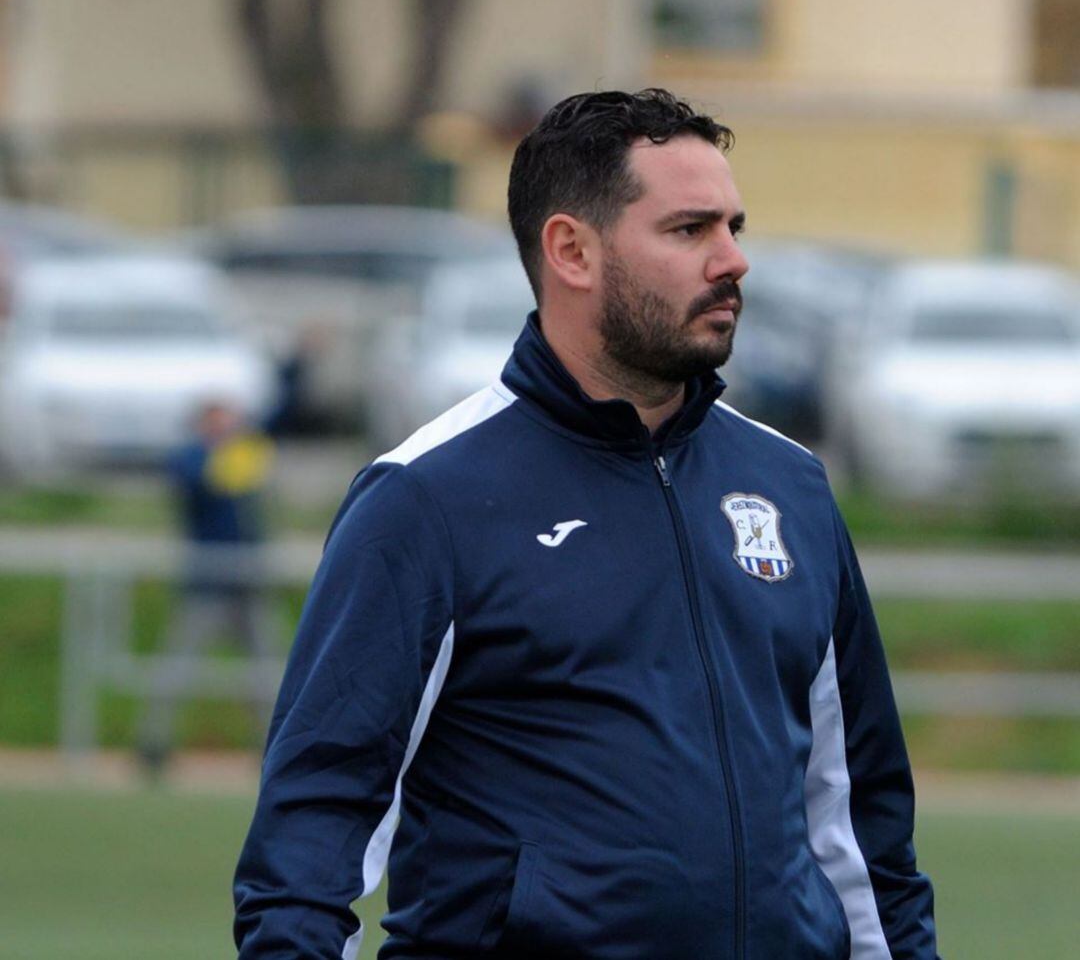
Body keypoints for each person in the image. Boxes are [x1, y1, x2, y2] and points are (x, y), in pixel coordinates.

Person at [234, 89, 938, 959]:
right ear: (572, 249)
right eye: (690, 231)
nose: (734, 261)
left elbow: (862, 825)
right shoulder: (427, 497)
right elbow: (314, 838)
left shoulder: (787, 486)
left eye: (735, 227)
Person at [138, 399, 277, 775]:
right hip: (205, 582)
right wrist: (227, 458)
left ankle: (273, 748)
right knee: (176, 667)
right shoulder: (190, 458)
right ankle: (153, 744)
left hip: (248, 581)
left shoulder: (245, 455)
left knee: (267, 670)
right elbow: (202, 482)